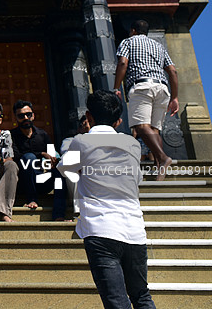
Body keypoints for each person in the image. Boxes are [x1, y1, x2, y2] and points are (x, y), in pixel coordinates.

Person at [58, 90, 155, 309]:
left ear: (89, 118)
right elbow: (136, 178)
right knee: (141, 296)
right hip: (134, 230)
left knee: (116, 301)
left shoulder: (81, 142)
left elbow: (66, 169)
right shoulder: (132, 144)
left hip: (101, 229)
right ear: (119, 120)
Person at [113, 19, 178, 181]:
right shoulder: (158, 46)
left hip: (142, 86)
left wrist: (116, 87)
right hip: (162, 88)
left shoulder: (128, 42)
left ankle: (163, 158)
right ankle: (160, 170)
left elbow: (122, 63)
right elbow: (172, 71)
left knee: (141, 127)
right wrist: (175, 97)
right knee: (154, 130)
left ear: (133, 30)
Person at [10, 100, 67, 220]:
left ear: (33, 115)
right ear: (16, 118)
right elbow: (16, 156)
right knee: (28, 157)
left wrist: (53, 160)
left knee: (60, 171)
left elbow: (52, 155)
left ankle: (59, 214)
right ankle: (31, 199)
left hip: (41, 180)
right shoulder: (11, 135)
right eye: (21, 116)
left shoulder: (42, 135)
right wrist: (41, 154)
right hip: (22, 183)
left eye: (28, 115)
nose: (25, 118)